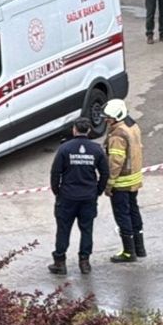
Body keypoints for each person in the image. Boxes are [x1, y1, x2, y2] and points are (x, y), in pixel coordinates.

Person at [48, 117, 109, 275]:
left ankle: (60, 262)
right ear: (88, 130)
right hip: (88, 197)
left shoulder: (65, 149)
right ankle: (84, 262)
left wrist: (57, 191)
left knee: (63, 230)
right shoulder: (96, 149)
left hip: (67, 197)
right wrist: (97, 190)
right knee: (87, 230)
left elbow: (55, 173)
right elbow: (105, 173)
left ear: (74, 130)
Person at [101, 99, 145, 263]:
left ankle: (128, 252)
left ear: (116, 117)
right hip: (134, 178)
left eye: (108, 118)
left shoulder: (118, 135)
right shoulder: (132, 125)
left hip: (121, 182)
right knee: (133, 211)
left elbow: (115, 162)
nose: (106, 120)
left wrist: (109, 183)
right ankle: (139, 248)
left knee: (122, 215)